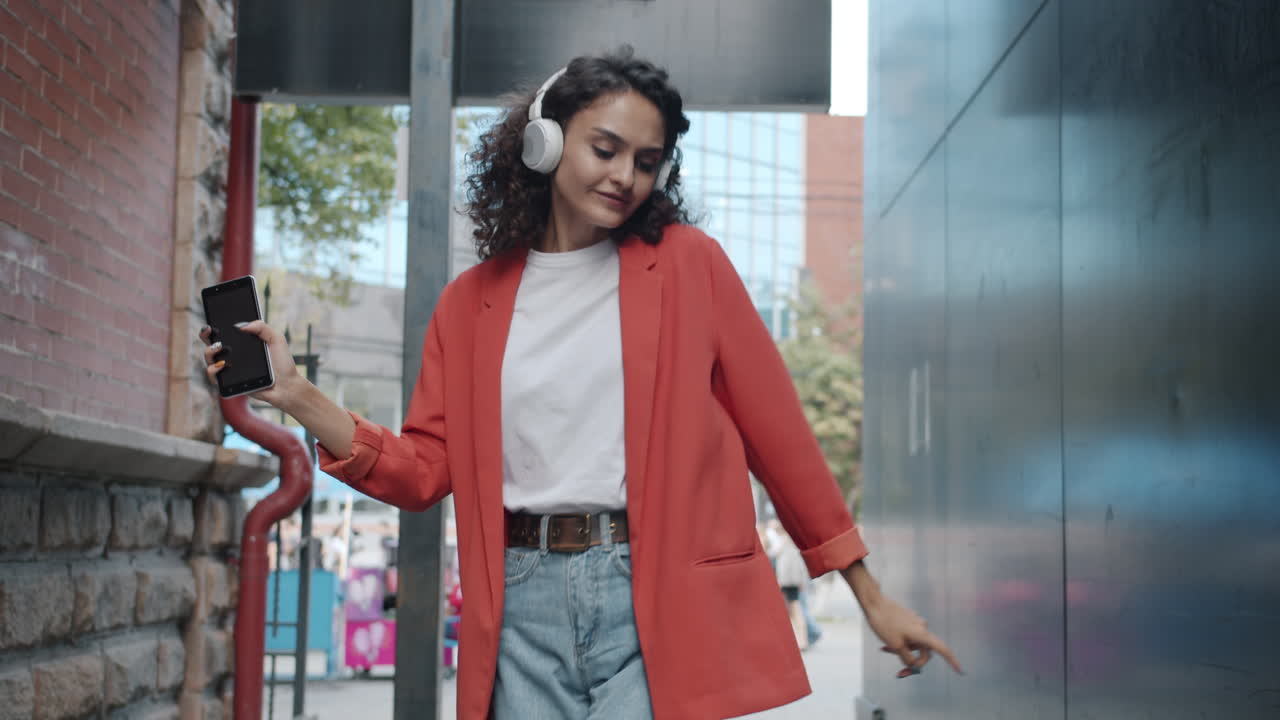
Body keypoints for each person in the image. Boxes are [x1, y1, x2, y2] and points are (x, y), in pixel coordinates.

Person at [201, 46, 960, 719]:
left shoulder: (691, 267)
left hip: (656, 592)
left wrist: (869, 595)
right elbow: (425, 470)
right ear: (546, 140)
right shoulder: (470, 306)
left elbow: (781, 440)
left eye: (646, 160)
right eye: (605, 148)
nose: (624, 176)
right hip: (520, 603)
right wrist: (298, 397)